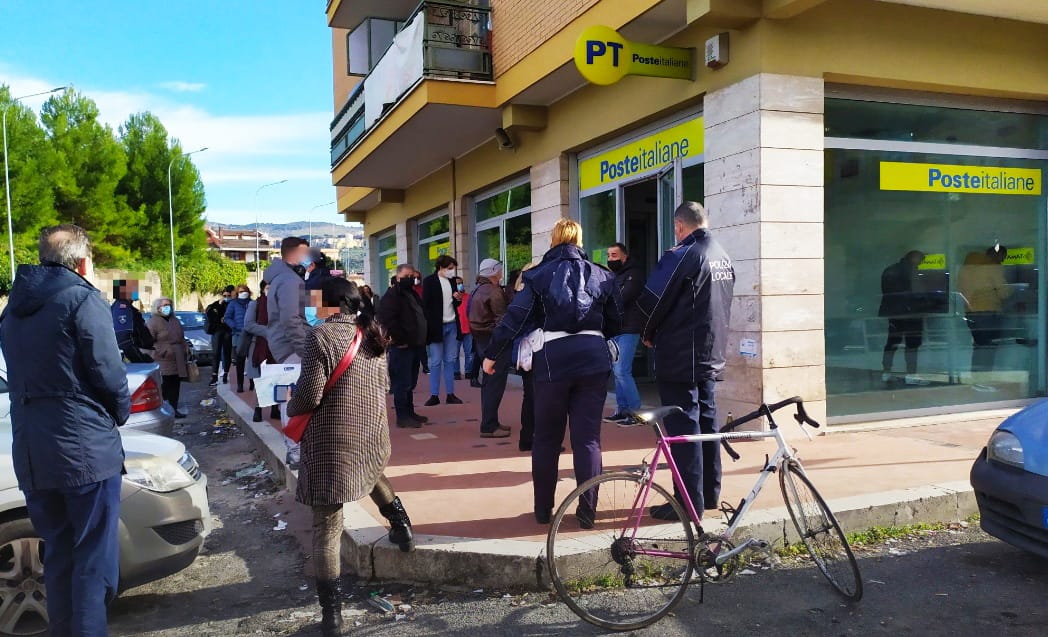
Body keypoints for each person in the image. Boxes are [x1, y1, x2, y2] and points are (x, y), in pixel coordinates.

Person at [0, 224, 130, 635]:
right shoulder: (82, 298)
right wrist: (119, 413)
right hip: (84, 453)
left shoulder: (12, 309)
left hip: (33, 453)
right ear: (83, 262)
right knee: (94, 564)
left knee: (58, 555)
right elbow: (109, 373)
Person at [287, 278, 415, 637]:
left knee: (326, 528)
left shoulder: (320, 337)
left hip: (331, 442)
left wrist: (287, 405)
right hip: (371, 433)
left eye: (313, 301)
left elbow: (310, 396)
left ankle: (332, 617)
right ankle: (402, 527)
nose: (309, 307)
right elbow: (384, 386)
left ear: (328, 303)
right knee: (370, 471)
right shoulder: (374, 333)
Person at [483, 219, 621, 526]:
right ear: (580, 240)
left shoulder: (537, 275)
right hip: (593, 358)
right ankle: (588, 511)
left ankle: (543, 510)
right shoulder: (602, 274)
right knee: (588, 440)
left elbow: (515, 318)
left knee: (546, 438)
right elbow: (616, 320)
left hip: (552, 360)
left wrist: (493, 354)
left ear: (553, 239)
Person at [638, 201, 735, 521]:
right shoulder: (722, 254)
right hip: (710, 352)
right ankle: (708, 494)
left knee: (683, 427)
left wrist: (647, 332)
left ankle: (687, 502)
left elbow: (652, 302)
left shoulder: (681, 255)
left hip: (681, 354)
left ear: (679, 226)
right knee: (707, 421)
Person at [264, 236, 313, 469]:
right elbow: (292, 319)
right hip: (293, 348)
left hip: (285, 346)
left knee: (288, 397)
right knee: (292, 399)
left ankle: (294, 449)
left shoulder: (283, 279)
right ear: (293, 255)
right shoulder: (290, 282)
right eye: (305, 253)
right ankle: (295, 451)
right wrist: (306, 350)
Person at [377, 264, 429, 428]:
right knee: (402, 382)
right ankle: (402, 415)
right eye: (407, 276)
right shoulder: (392, 295)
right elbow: (386, 319)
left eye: (412, 276)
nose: (411, 279)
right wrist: (399, 338)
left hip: (415, 344)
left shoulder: (411, 293)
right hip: (402, 346)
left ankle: (410, 412)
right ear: (398, 277)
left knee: (411, 380)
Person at [469, 258, 511, 438]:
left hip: (481, 339)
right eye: (500, 270)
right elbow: (502, 321)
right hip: (493, 341)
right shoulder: (493, 291)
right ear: (495, 272)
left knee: (488, 383)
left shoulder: (477, 289)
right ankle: (489, 425)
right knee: (494, 383)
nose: (502, 273)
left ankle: (491, 420)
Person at [605, 242, 646, 422]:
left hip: (630, 328)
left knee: (622, 370)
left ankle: (637, 412)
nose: (610, 259)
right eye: (608, 255)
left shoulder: (634, 275)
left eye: (614, 255)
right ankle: (622, 411)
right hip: (615, 329)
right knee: (618, 371)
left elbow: (621, 299)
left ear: (624, 257)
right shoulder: (612, 276)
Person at [958, 245, 1013, 376]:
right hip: (989, 312)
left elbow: (960, 289)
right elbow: (1004, 292)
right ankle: (984, 380)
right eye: (1003, 257)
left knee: (979, 346)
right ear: (997, 255)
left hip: (971, 312)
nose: (1002, 261)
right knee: (988, 348)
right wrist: (1013, 289)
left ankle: (976, 378)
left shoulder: (965, 268)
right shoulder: (993, 267)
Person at [421, 255, 464, 406]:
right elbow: (425, 305)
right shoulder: (429, 281)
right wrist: (429, 326)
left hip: (452, 324)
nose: (452, 271)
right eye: (450, 268)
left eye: (453, 268)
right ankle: (434, 395)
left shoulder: (452, 281)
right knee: (436, 361)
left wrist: (458, 299)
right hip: (436, 326)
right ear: (441, 267)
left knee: (450, 360)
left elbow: (455, 304)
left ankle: (450, 393)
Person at [879, 250, 927, 385]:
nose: (920, 265)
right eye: (920, 261)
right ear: (915, 259)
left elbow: (887, 292)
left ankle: (886, 371)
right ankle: (911, 373)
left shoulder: (889, 270)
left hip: (894, 312)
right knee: (912, 344)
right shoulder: (912, 272)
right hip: (911, 312)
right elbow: (916, 293)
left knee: (892, 341)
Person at [244, 280, 281, 423]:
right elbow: (248, 325)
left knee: (276, 379)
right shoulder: (256, 304)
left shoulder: (279, 305)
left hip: (277, 347)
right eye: (268, 288)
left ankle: (274, 409)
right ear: (262, 289)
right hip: (260, 347)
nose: (270, 291)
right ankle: (258, 411)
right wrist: (268, 331)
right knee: (261, 380)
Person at [510, 264, 538, 452]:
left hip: (524, 352)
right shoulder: (533, 296)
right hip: (535, 349)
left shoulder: (518, 294)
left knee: (530, 396)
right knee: (539, 398)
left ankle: (527, 438)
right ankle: (535, 438)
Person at [146, 297, 190, 418]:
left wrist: (185, 348)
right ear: (158, 308)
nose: (167, 307)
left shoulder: (175, 320)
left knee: (175, 386)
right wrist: (160, 352)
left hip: (178, 358)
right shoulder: (153, 322)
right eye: (164, 305)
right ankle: (164, 411)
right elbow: (147, 343)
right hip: (163, 359)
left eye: (169, 305)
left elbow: (181, 337)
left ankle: (174, 409)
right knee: (164, 386)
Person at [110, 279, 154, 363]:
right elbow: (124, 339)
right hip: (133, 357)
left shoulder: (126, 308)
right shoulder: (122, 308)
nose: (136, 292)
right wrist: (139, 359)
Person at [224, 283, 253, 392]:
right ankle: (240, 385)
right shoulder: (233, 304)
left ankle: (252, 383)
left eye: (244, 291)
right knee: (240, 361)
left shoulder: (252, 303)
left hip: (251, 335)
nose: (243, 293)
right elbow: (227, 317)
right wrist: (234, 326)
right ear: (237, 293)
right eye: (240, 291)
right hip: (238, 335)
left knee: (252, 361)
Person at [205, 285, 235, 387]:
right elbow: (208, 310)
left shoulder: (234, 304)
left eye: (228, 295)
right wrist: (218, 306)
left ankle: (225, 373)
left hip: (228, 331)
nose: (226, 296)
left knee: (226, 353)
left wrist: (226, 319)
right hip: (217, 331)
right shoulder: (217, 304)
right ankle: (214, 376)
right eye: (224, 295)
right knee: (215, 353)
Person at [452, 276, 472, 382]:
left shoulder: (468, 297)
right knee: (455, 354)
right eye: (458, 283)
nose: (460, 285)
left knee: (469, 353)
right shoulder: (451, 299)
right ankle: (456, 372)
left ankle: (468, 371)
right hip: (456, 330)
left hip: (468, 329)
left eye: (461, 283)